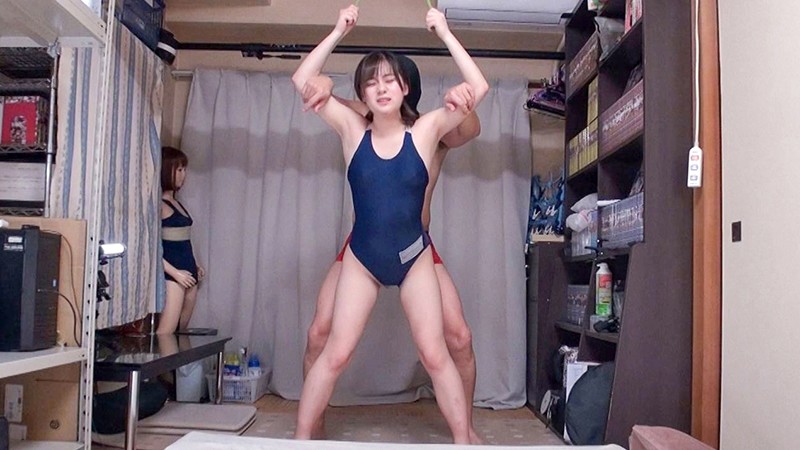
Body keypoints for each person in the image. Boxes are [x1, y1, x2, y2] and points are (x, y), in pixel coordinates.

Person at [291, 5, 488, 444]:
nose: (381, 88)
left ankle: (464, 436)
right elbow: (305, 82)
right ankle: (304, 437)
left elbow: (477, 92)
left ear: (406, 88)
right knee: (331, 347)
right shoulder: (352, 127)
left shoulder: (429, 130)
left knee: (439, 351)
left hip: (415, 252)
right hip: (362, 253)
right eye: (372, 82)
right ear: (363, 91)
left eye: (390, 80)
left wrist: (446, 33)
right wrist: (337, 31)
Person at [157, 146, 205, 334]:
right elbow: (151, 248)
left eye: (184, 170)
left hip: (188, 272)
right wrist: (175, 273)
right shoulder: (158, 205)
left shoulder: (176, 203)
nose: (183, 175)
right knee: (166, 333)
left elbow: (183, 241)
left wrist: (196, 265)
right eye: (179, 170)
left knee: (180, 331)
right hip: (173, 275)